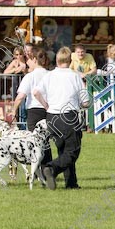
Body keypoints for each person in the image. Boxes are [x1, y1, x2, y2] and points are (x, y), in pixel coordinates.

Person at [33, 47, 90, 190]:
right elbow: (86, 101)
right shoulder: (75, 75)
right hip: (69, 116)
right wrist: (84, 103)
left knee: (63, 150)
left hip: (52, 117)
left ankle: (71, 183)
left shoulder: (49, 75)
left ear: (57, 60)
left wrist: (46, 106)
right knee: (72, 151)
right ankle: (51, 168)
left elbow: (36, 92)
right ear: (70, 60)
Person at [10, 49, 52, 179]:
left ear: (34, 60)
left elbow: (20, 96)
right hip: (49, 111)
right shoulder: (51, 75)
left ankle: (37, 172)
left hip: (34, 111)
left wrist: (13, 110)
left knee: (34, 142)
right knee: (46, 143)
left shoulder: (30, 76)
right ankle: (46, 171)